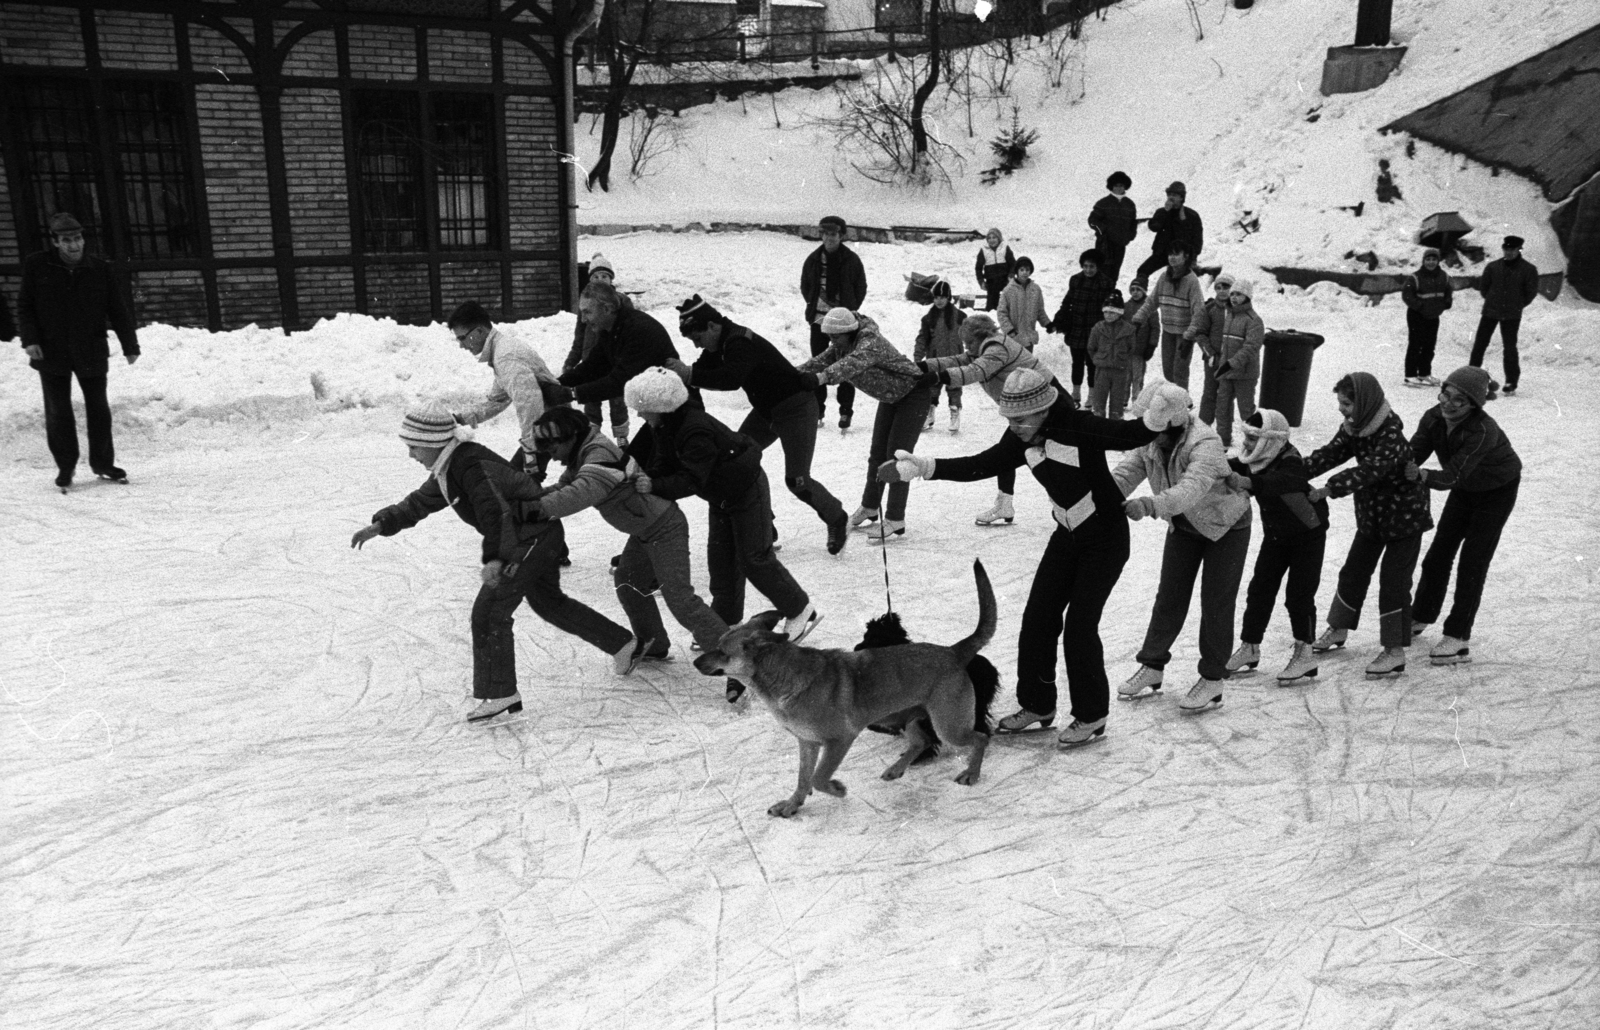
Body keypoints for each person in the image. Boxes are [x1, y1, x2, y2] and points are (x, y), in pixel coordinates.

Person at [880, 370, 1174, 747]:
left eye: (1021, 419)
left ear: (1045, 410)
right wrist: (921, 468)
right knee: (1037, 619)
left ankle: (1092, 715)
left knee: (1081, 627)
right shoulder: (1019, 437)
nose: (1015, 427)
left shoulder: (1077, 425)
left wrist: (1156, 415)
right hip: (1066, 536)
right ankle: (1037, 704)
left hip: (1104, 538)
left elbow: (1127, 435)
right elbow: (981, 464)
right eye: (1009, 419)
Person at [350, 405, 646, 723]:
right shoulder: (451, 465)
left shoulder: (470, 464)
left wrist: (496, 559)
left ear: (433, 441)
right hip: (534, 535)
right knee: (549, 603)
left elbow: (496, 513)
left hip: (526, 538)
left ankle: (500, 692)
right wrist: (382, 524)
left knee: (490, 612)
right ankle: (623, 644)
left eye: (413, 447)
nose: (411, 455)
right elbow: (421, 501)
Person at [490, 406, 729, 667]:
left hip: (664, 527)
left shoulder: (598, 454)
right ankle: (654, 643)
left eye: (553, 449)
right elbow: (563, 487)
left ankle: (732, 658)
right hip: (645, 531)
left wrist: (529, 510)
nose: (553, 457)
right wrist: (526, 500)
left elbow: (579, 493)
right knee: (628, 581)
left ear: (568, 438)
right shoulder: (583, 453)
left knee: (680, 599)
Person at [622, 367, 820, 663]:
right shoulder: (666, 425)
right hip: (721, 494)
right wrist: (647, 473)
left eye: (643, 409)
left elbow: (692, 479)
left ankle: (800, 608)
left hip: (745, 489)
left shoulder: (692, 430)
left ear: (661, 407)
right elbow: (666, 461)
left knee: (754, 558)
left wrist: (655, 484)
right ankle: (724, 621)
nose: (640, 415)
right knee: (721, 558)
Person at [670, 294, 849, 555]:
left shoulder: (739, 342)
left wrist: (688, 373)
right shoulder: (717, 344)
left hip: (796, 408)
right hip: (767, 411)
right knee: (735, 461)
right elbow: (698, 373)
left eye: (697, 338)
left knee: (797, 481)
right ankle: (764, 524)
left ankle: (836, 517)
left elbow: (730, 379)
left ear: (711, 326)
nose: (697, 345)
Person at [1114, 385, 1252, 712]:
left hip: (1225, 526)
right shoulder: (1154, 438)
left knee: (1216, 601)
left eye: (1158, 430)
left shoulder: (1205, 443)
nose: (1152, 436)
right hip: (1185, 525)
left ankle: (1213, 679)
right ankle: (1152, 665)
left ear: (1175, 424)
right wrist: (1095, 496)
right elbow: (1127, 472)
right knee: (1170, 595)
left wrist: (1149, 504)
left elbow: (1190, 490)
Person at [1304, 372, 1434, 676]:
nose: (1342, 409)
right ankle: (1338, 627)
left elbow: (1370, 470)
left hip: (1404, 517)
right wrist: (1298, 471)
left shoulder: (1388, 431)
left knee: (1393, 582)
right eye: (1340, 403)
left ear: (1363, 402)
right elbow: (1332, 453)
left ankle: (1394, 650)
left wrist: (1329, 488)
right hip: (1373, 515)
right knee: (1353, 571)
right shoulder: (1355, 426)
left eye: (1346, 403)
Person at [1406, 366, 1522, 665]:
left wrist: (1419, 475)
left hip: (1496, 489)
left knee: (1473, 561)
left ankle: (1458, 636)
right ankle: (1420, 615)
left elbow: (1451, 477)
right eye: (1446, 393)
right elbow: (1412, 453)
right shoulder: (1433, 417)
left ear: (1473, 405)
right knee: (1438, 554)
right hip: (1466, 486)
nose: (1448, 403)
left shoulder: (1482, 430)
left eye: (1459, 400)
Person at [17, 212, 140, 489]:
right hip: (51, 350)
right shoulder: (38, 266)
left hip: (90, 348)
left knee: (99, 408)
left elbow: (117, 308)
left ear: (83, 239)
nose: (74, 245)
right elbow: (25, 306)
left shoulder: (99, 268)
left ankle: (103, 463)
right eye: (66, 240)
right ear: (56, 242)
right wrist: (30, 340)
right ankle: (66, 467)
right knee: (58, 411)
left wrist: (130, 345)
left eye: (77, 239)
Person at [798, 308, 929, 542]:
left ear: (849, 331)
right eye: (829, 336)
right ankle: (870, 506)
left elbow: (851, 363)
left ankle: (895, 518)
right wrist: (791, 375)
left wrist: (820, 379)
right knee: (877, 454)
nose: (832, 341)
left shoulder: (870, 343)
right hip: (890, 397)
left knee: (897, 459)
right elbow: (821, 361)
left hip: (913, 395)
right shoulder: (842, 345)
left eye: (835, 337)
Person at [1223, 409, 1330, 683]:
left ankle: (1305, 652)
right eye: (1246, 437)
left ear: (1271, 440)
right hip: (1277, 536)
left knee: (1299, 596)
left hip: (1308, 535)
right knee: (1259, 589)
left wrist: (1249, 482)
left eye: (1252, 438)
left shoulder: (1290, 460)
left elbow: (1285, 481)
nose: (1246, 444)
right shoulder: (1256, 458)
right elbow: (1234, 465)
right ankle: (1250, 646)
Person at [918, 312, 1047, 527]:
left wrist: (938, 377)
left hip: (1044, 411)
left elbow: (975, 371)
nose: (967, 348)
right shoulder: (983, 348)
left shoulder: (997, 349)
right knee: (1006, 456)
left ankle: (1076, 504)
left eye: (969, 342)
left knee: (1011, 458)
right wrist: (924, 366)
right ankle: (1005, 503)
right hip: (1027, 412)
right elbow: (957, 360)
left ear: (980, 336)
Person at [447, 300, 560, 472]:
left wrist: (530, 450)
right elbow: (497, 402)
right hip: (546, 425)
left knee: (518, 483)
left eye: (463, 338)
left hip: (551, 428)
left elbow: (529, 404)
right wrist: (459, 419)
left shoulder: (505, 357)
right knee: (517, 481)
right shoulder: (500, 351)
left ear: (479, 331)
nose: (462, 345)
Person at [557, 280, 683, 414]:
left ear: (607, 309)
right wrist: (558, 384)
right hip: (657, 409)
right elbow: (592, 367)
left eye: (587, 312)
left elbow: (620, 381)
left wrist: (572, 394)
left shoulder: (638, 330)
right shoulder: (611, 329)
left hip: (677, 409)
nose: (583, 320)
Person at [800, 215, 868, 428]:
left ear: (841, 236)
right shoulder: (813, 259)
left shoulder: (851, 260)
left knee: (846, 365)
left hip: (844, 323)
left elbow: (861, 286)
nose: (829, 238)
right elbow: (805, 286)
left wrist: (848, 310)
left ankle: (845, 412)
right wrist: (814, 305)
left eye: (833, 234)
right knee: (818, 363)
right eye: (825, 234)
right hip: (819, 320)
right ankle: (817, 411)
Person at [562, 253, 632, 444]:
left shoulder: (621, 301)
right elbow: (579, 336)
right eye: (596, 277)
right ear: (590, 280)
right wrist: (571, 361)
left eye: (605, 276)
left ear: (611, 279)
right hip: (590, 361)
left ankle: (621, 437)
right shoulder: (586, 303)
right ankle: (593, 436)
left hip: (614, 361)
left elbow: (630, 331)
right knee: (591, 398)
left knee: (617, 399)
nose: (600, 280)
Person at [1133, 240, 1206, 394]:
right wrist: (1138, 320)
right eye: (1170, 254)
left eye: (1176, 254)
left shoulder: (1191, 281)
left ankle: (1181, 405)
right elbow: (1152, 302)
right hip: (1168, 331)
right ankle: (1175, 398)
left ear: (1185, 256)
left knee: (1180, 370)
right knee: (1168, 371)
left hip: (1184, 334)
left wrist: (1189, 336)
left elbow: (1199, 311)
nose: (1172, 257)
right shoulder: (1164, 277)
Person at [1470, 235, 1539, 395]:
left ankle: (1511, 382)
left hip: (1512, 315)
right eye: (1506, 249)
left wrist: (1517, 305)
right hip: (1490, 312)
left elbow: (1530, 292)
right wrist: (1494, 300)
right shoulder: (1493, 267)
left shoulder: (1528, 269)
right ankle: (1471, 377)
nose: (1509, 252)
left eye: (1512, 249)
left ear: (1519, 250)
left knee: (1509, 348)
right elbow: (1484, 288)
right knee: (1480, 344)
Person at [1050, 249, 1112, 404]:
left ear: (1098, 267)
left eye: (1091, 266)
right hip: (1076, 328)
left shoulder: (1105, 283)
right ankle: (1076, 392)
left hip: (1095, 330)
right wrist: (1058, 320)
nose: (1088, 270)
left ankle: (1092, 394)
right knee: (1077, 362)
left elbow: (1109, 309)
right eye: (1085, 266)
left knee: (1092, 364)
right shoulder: (1076, 280)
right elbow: (1067, 302)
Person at [1208, 279, 1265, 450]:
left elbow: (1251, 347)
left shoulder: (1254, 320)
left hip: (1245, 374)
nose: (1233, 297)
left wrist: (1232, 363)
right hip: (1227, 372)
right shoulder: (1229, 316)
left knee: (1246, 410)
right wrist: (1222, 364)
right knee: (1222, 406)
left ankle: (1254, 440)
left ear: (1247, 296)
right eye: (1232, 294)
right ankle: (1222, 439)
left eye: (1238, 294)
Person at [1184, 271, 1235, 430]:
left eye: (1225, 287)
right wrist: (1210, 353)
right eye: (1218, 287)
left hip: (1231, 360)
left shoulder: (1239, 310)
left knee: (1226, 396)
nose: (1221, 290)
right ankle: (1202, 427)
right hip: (1212, 359)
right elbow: (1201, 333)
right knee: (1209, 393)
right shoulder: (1210, 309)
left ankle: (1224, 430)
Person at [914, 279, 965, 434]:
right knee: (933, 387)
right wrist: (918, 358)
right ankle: (929, 415)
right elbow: (922, 338)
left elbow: (971, 335)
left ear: (948, 297)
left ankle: (955, 415)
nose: (939, 301)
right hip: (934, 360)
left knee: (954, 387)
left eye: (942, 297)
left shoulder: (960, 316)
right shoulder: (928, 319)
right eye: (936, 297)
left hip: (955, 359)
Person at [1401, 247, 1453, 388]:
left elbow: (1448, 291)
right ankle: (1410, 375)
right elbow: (1407, 294)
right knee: (1415, 345)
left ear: (1438, 261)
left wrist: (1447, 302)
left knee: (1429, 346)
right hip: (1417, 315)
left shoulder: (1444, 276)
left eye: (1434, 259)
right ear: (1423, 261)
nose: (1431, 262)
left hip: (1433, 315)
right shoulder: (1415, 277)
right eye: (1428, 259)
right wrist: (1419, 306)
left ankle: (1424, 373)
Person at [1134, 181, 1204, 284]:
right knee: (1143, 271)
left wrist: (1191, 257)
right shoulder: (1162, 212)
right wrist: (1165, 212)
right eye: (1169, 195)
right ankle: (1140, 295)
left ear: (1181, 198)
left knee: (1180, 280)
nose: (1171, 197)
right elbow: (1154, 226)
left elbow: (1197, 239)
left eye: (1174, 195)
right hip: (1162, 253)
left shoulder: (1191, 215)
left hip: (1182, 255)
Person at [1087, 290, 1134, 419]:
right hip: (1102, 370)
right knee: (1099, 400)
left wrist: (1123, 360)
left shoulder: (1129, 330)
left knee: (1117, 402)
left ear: (1119, 313)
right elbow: (1091, 348)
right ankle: (1098, 427)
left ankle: (1115, 426)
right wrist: (1098, 359)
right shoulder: (1098, 328)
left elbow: (1132, 348)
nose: (1108, 315)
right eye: (1106, 311)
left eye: (1112, 312)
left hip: (1120, 371)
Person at [1088, 171, 1138, 287]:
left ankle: (1109, 299)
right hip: (1105, 245)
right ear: (1111, 187)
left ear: (1125, 186)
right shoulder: (1103, 203)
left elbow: (1133, 223)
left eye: (1121, 185)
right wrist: (1102, 232)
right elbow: (1092, 221)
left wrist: (1130, 237)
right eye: (1116, 185)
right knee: (1102, 272)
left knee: (1114, 274)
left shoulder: (1130, 205)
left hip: (1120, 245)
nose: (1118, 188)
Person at [996, 255, 1051, 352]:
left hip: (1029, 337)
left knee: (1027, 364)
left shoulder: (1035, 289)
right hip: (1014, 337)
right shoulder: (1008, 290)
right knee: (1015, 364)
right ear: (1016, 271)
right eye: (1021, 270)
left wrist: (1047, 324)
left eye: (1027, 270)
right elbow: (1001, 313)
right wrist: (1009, 330)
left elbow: (1039, 311)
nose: (1025, 272)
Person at [1123, 280, 1158, 404]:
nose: (1135, 293)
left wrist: (1151, 346)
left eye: (1138, 290)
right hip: (1126, 350)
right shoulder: (1126, 307)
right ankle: (1123, 400)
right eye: (1132, 290)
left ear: (1143, 291)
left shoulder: (1150, 308)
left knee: (1137, 377)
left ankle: (1137, 400)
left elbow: (1155, 328)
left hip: (1140, 350)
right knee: (1125, 376)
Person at [974, 228, 1015, 311]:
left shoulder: (1004, 248)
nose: (992, 240)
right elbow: (978, 268)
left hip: (1005, 279)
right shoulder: (984, 250)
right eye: (989, 238)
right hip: (991, 281)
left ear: (999, 238)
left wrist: (1011, 275)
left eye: (994, 237)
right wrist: (981, 281)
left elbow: (1013, 264)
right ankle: (991, 311)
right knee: (992, 303)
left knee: (1008, 301)